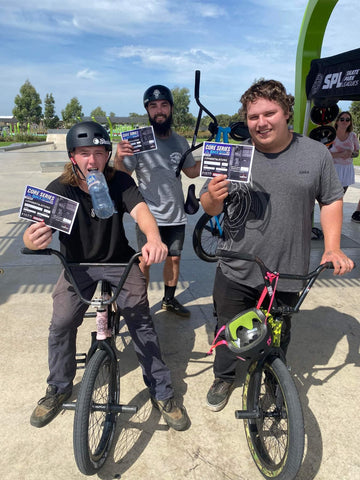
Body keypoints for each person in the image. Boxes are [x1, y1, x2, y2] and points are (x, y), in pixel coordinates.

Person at [23, 121, 190, 431]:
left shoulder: (120, 182)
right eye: (84, 153)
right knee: (61, 322)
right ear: (73, 156)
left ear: (107, 154)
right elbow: (32, 232)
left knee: (140, 320)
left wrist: (154, 239)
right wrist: (32, 241)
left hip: (119, 262)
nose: (92, 161)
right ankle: (57, 388)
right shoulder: (61, 188)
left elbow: (142, 212)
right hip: (76, 266)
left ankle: (162, 392)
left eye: (99, 153)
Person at [199, 80, 354, 412]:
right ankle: (224, 376)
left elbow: (331, 200)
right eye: (254, 116)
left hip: (287, 270)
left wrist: (332, 246)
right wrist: (210, 197)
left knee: (278, 334)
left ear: (286, 113)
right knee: (229, 327)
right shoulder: (235, 155)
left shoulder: (314, 154)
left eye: (269, 113)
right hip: (235, 264)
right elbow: (209, 207)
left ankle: (273, 376)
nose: (261, 122)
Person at [114, 85, 200, 317]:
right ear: (148, 111)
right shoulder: (139, 141)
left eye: (163, 105)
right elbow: (122, 176)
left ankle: (169, 301)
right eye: (153, 106)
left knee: (174, 259)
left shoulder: (180, 141)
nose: (159, 110)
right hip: (148, 215)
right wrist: (119, 157)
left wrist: (214, 158)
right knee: (145, 261)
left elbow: (191, 171)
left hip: (176, 214)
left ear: (171, 109)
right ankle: (140, 304)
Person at [330, 111, 359, 195]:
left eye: (347, 119)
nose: (344, 121)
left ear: (350, 122)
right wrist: (340, 154)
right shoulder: (330, 134)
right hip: (333, 169)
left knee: (340, 196)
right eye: (342, 119)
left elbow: (357, 152)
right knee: (330, 198)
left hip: (347, 170)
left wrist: (352, 154)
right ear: (337, 121)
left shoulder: (352, 135)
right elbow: (324, 153)